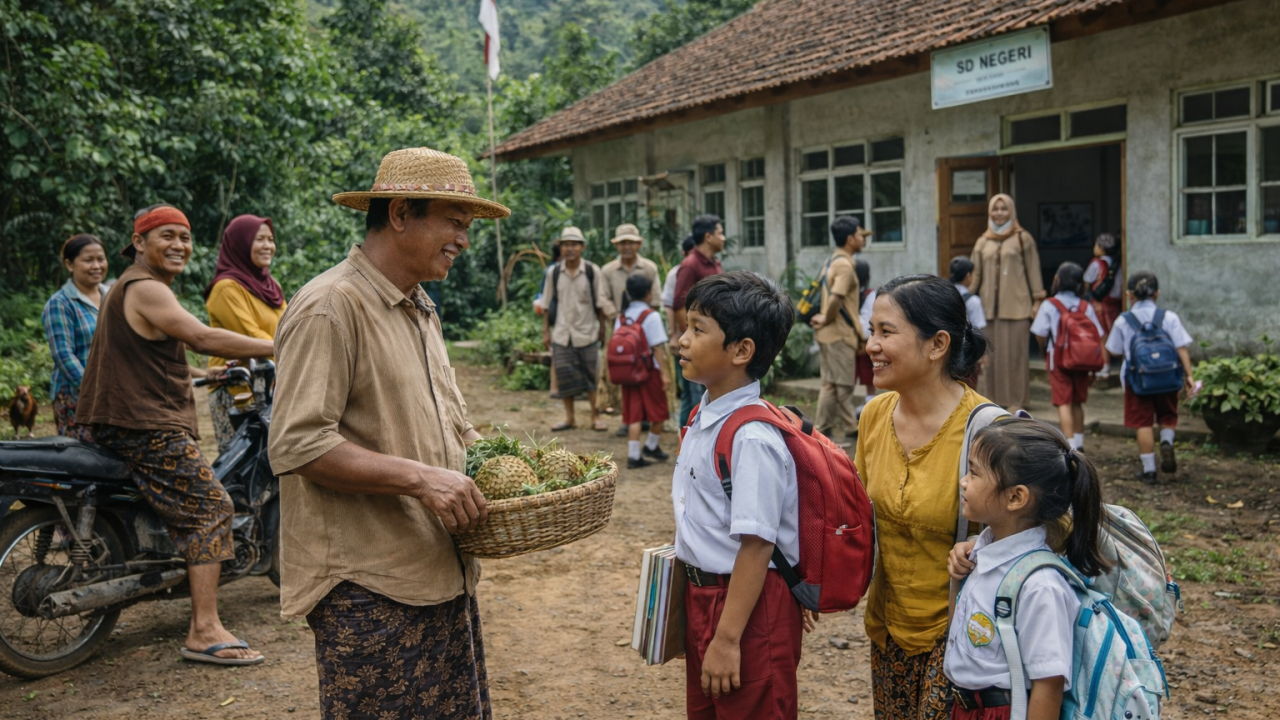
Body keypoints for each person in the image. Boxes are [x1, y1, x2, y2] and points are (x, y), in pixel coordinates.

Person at [268, 147, 507, 718]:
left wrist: (500, 468)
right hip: (368, 587)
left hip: (436, 569)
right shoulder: (330, 306)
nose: (464, 240)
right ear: (400, 213)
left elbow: (452, 423)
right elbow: (298, 443)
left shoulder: (420, 308)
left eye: (468, 226)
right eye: (454, 222)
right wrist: (423, 479)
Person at [77, 204, 275, 665]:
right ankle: (204, 629)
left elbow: (144, 355)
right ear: (139, 242)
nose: (179, 246)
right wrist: (281, 343)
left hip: (125, 418)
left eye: (185, 238)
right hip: (145, 424)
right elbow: (202, 335)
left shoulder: (126, 287)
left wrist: (205, 375)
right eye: (166, 236)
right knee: (211, 507)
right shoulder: (146, 287)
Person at [672, 271, 809, 719]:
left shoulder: (752, 438)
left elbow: (757, 544)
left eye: (697, 329)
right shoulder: (703, 415)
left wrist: (728, 638)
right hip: (708, 599)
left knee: (753, 707)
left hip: (747, 608)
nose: (681, 340)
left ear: (741, 351)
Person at [856, 274, 990, 720]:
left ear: (937, 345)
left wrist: (983, 546)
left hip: (961, 630)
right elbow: (855, 513)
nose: (871, 345)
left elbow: (1043, 525)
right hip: (888, 627)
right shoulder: (875, 415)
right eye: (871, 330)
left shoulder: (986, 430)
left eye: (886, 332)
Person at [943, 418, 1108, 720]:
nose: (964, 481)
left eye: (975, 473)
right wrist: (958, 579)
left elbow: (1049, 686)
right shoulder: (983, 553)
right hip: (966, 707)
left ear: (1016, 497)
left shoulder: (1041, 586)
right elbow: (959, 634)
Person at [203, 214, 287, 455]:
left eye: (270, 240)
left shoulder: (272, 286)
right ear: (240, 243)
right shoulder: (226, 287)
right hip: (237, 390)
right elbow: (252, 335)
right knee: (242, 471)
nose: (268, 246)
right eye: (259, 239)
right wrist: (296, 347)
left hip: (270, 387)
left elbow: (288, 326)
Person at [1103, 272, 1195, 485]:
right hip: (1168, 377)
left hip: (1137, 380)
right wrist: (1189, 376)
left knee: (1142, 422)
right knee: (1168, 415)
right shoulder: (1169, 317)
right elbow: (1181, 348)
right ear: (1157, 294)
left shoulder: (1123, 320)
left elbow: (1114, 350)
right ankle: (1166, 441)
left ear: (1128, 294)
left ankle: (1150, 470)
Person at [970, 194, 1045, 413]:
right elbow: (975, 276)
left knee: (1016, 358)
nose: (999, 213)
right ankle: (992, 400)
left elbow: (1033, 271)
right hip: (988, 311)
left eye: (1004, 209)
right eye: (995, 209)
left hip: (1017, 308)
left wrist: (1037, 300)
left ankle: (1017, 401)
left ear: (1011, 211)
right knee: (991, 358)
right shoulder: (983, 241)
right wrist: (962, 299)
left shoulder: (1023, 238)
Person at [541, 226, 611, 432]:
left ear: (582, 247)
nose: (570, 248)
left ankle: (595, 416)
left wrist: (602, 330)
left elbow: (600, 303)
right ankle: (569, 418)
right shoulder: (553, 273)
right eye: (565, 245)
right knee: (565, 377)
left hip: (587, 332)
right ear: (560, 248)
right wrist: (546, 331)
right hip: (562, 334)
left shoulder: (592, 271)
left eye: (574, 244)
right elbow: (546, 304)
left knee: (592, 377)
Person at [1031, 262, 1106, 452]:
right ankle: (1079, 444)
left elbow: (1039, 332)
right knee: (1077, 401)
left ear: (1057, 280)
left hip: (1058, 358)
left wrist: (1043, 349)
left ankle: (1070, 446)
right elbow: (1098, 333)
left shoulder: (1049, 304)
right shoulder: (1085, 306)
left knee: (1063, 402)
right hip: (1082, 360)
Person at [42, 234, 109, 442]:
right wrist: (94, 391)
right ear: (70, 265)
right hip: (76, 396)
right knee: (84, 457)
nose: (97, 266)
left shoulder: (113, 296)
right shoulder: (60, 304)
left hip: (112, 392)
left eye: (101, 259)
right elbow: (64, 356)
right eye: (88, 260)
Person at [810, 215, 868, 443]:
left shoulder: (832, 260)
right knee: (841, 385)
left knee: (832, 384)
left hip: (830, 334)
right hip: (838, 334)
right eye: (860, 234)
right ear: (850, 238)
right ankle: (832, 429)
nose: (863, 238)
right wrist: (826, 317)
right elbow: (836, 297)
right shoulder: (844, 265)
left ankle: (831, 429)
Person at [601, 223, 661, 436]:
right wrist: (619, 317)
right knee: (622, 372)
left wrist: (641, 320)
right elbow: (602, 298)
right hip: (618, 331)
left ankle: (644, 417)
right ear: (617, 245)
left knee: (645, 371)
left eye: (631, 242)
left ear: (638, 244)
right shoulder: (607, 271)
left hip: (644, 332)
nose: (627, 246)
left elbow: (655, 298)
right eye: (623, 242)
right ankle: (626, 419)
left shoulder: (649, 268)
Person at [673, 215, 725, 427]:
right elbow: (678, 304)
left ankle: (686, 436)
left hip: (711, 338)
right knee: (695, 394)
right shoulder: (690, 265)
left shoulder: (715, 263)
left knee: (696, 392)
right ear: (708, 236)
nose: (723, 238)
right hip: (699, 341)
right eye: (720, 233)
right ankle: (692, 437)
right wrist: (692, 336)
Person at [615, 274, 672, 469]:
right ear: (648, 294)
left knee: (634, 415)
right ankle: (651, 446)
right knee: (659, 413)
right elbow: (657, 348)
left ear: (628, 294)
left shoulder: (622, 316)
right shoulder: (651, 316)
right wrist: (665, 374)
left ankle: (634, 455)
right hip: (649, 372)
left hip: (628, 372)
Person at [1084, 233, 1124, 386]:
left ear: (1101, 248)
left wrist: (1088, 293)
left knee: (1101, 335)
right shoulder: (1118, 265)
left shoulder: (1096, 264)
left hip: (1099, 305)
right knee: (1114, 334)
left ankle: (1105, 366)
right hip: (1115, 305)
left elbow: (1087, 280)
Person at [855, 259, 877, 416]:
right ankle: (869, 399)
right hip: (865, 339)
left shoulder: (848, 295)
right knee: (869, 372)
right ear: (868, 276)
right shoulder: (871, 295)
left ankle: (868, 401)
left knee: (861, 372)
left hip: (852, 339)